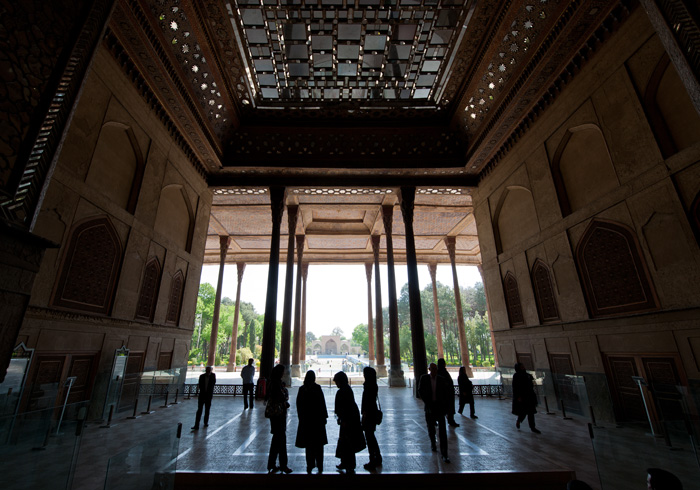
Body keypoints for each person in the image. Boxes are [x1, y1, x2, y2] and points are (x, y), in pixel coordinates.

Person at [418, 362, 453, 463]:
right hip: (429, 408)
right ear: (429, 369)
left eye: (435, 368)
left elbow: (446, 395)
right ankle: (433, 443)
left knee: (442, 431)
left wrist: (446, 409)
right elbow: (420, 391)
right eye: (432, 368)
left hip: (439, 408)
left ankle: (444, 454)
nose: (434, 370)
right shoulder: (424, 378)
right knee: (430, 428)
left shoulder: (441, 380)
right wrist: (427, 402)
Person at [295, 370, 328, 474]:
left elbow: (298, 405)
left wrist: (301, 418)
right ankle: (320, 464)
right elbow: (322, 404)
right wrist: (324, 418)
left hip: (306, 421)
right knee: (318, 445)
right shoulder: (317, 388)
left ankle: (310, 464)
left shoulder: (302, 389)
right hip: (317, 421)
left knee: (309, 445)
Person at [333, 371, 365, 474]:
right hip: (349, 419)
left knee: (347, 442)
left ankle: (349, 463)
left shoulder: (343, 391)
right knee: (346, 442)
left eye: (337, 381)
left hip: (347, 420)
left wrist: (343, 419)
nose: (336, 384)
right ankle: (345, 462)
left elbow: (345, 407)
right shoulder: (347, 389)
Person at [265, 364, 292, 474]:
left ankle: (271, 464)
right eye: (282, 371)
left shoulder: (273, 382)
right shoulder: (276, 383)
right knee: (281, 439)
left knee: (276, 440)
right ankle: (283, 465)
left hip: (275, 415)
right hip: (278, 415)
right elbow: (281, 397)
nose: (283, 373)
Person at [361, 366, 382, 471]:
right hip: (372, 413)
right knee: (371, 437)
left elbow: (367, 401)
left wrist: (364, 414)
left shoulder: (368, 386)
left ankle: (373, 459)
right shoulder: (373, 385)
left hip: (369, 414)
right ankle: (377, 457)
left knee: (369, 438)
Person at [512, 362, 541, 434]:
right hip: (522, 396)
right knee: (523, 412)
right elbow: (515, 387)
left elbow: (531, 384)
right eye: (521, 367)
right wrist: (518, 396)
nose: (523, 367)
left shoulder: (527, 375)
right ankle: (519, 421)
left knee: (531, 412)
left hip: (529, 396)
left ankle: (532, 427)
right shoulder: (516, 376)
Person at [437, 358, 459, 427]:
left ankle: (442, 420)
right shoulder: (442, 372)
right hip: (446, 393)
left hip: (444, 393)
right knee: (449, 408)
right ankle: (450, 420)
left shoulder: (439, 371)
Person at [192, 366, 216, 430]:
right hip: (202, 395)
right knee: (199, 410)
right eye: (207, 370)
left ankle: (205, 422)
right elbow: (200, 385)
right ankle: (196, 425)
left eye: (209, 370)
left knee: (207, 410)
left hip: (208, 395)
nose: (208, 371)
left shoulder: (213, 376)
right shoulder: (202, 376)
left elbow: (213, 384)